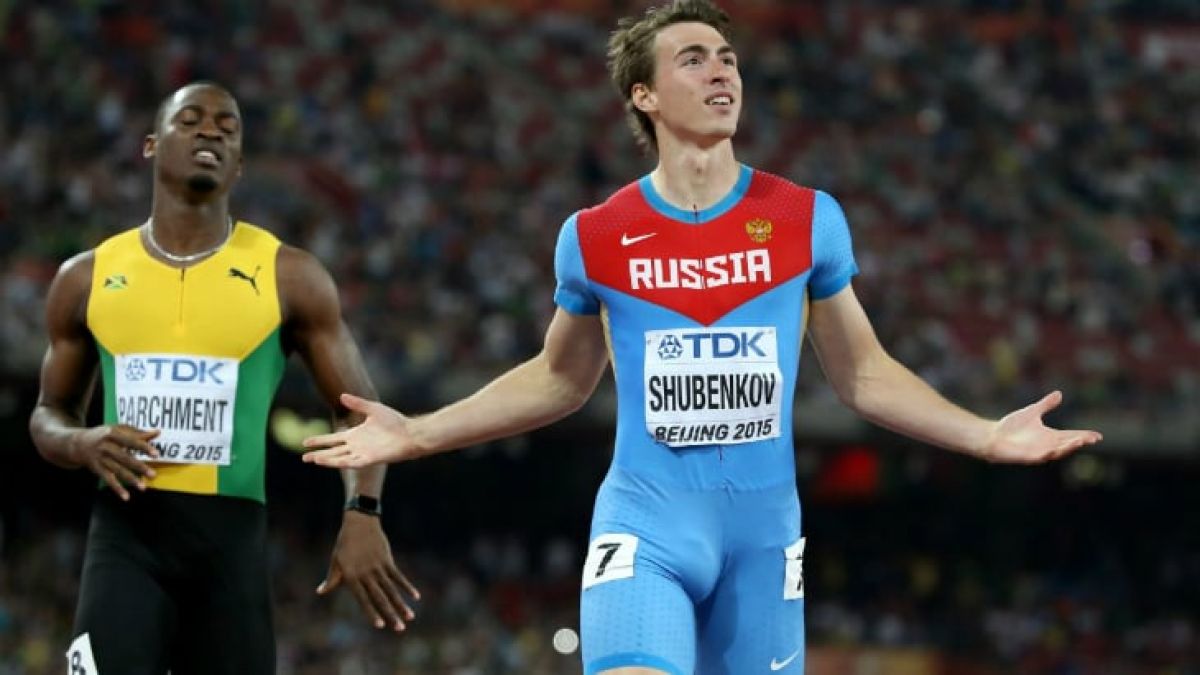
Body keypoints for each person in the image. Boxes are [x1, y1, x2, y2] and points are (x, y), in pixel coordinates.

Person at [301, 2, 1103, 673]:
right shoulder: (596, 234)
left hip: (763, 542)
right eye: (694, 59)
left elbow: (863, 374)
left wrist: (984, 435)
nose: (722, 72)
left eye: (728, 58)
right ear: (645, 95)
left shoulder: (804, 218)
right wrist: (418, 432)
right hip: (645, 526)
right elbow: (559, 378)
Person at [29, 81, 419, 675]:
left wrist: (363, 513)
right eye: (190, 119)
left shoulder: (290, 275)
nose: (210, 130)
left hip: (229, 552)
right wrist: (82, 442)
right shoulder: (87, 277)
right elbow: (48, 413)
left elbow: (358, 411)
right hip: (125, 540)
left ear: (239, 165)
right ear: (151, 145)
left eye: (227, 127)